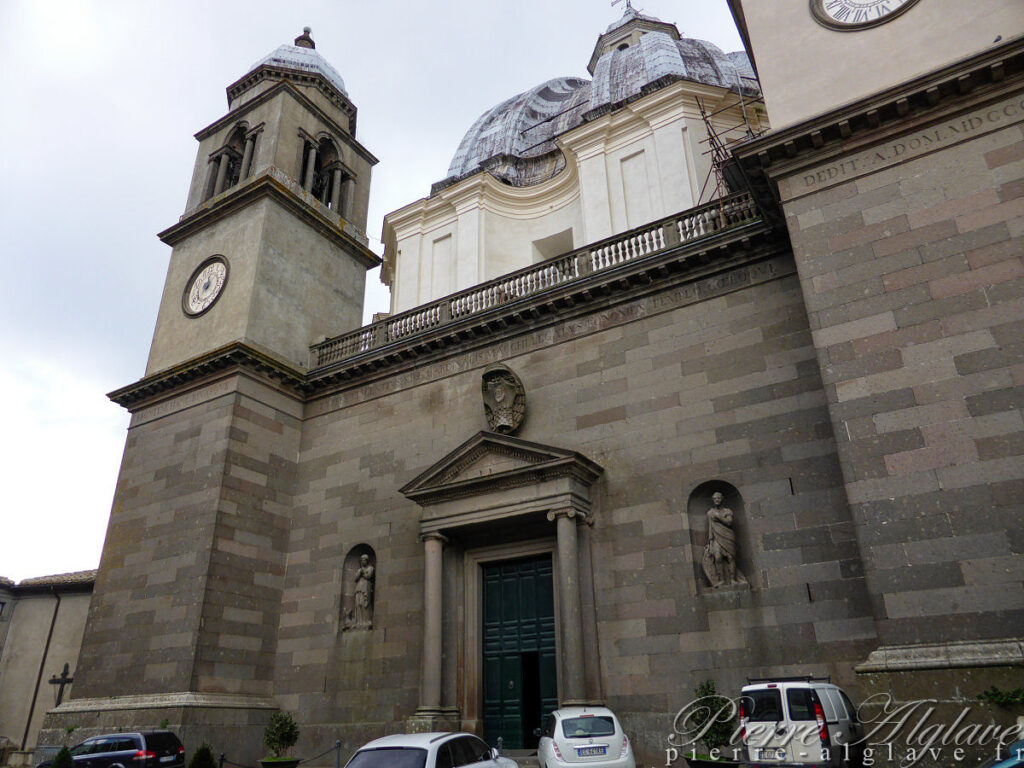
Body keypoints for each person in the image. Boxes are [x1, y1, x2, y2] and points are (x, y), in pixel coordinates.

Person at [702, 492, 739, 587]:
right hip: (716, 537)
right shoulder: (710, 513)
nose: (717, 500)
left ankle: (733, 579)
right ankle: (721, 580)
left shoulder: (727, 511)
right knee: (718, 557)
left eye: (718, 498)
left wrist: (719, 517)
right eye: (715, 499)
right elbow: (710, 527)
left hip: (728, 536)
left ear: (722, 499)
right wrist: (710, 543)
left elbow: (729, 522)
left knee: (730, 557)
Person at [354, 554, 375, 628]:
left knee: (364, 603)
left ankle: (367, 621)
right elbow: (355, 579)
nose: (363, 562)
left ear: (367, 561)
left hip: (366, 586)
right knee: (358, 604)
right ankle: (359, 622)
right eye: (361, 560)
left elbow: (369, 576)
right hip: (359, 586)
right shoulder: (359, 570)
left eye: (364, 560)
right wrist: (359, 573)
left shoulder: (370, 568)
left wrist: (362, 573)